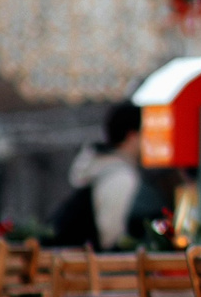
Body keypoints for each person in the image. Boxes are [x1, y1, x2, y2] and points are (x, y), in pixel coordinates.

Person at [54, 102, 160, 250]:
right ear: (132, 136)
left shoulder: (100, 166)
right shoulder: (120, 177)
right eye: (147, 133)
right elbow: (112, 238)